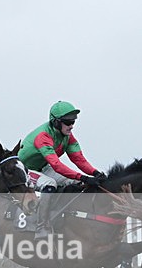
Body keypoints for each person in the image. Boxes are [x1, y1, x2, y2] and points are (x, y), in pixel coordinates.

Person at [18, 101, 107, 238]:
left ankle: (64, 218)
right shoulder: (43, 136)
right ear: (56, 122)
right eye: (68, 122)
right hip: (24, 170)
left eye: (73, 122)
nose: (71, 126)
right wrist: (83, 177)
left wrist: (95, 173)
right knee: (50, 184)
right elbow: (57, 165)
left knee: (74, 183)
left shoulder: (68, 137)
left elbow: (79, 159)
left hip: (43, 167)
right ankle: (41, 227)